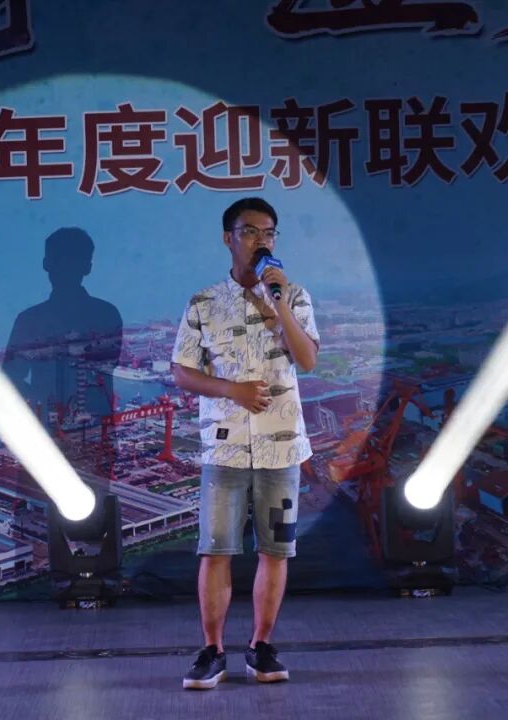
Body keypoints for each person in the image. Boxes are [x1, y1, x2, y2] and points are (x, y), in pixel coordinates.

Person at [171, 197, 319, 689]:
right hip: (225, 447)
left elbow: (308, 360)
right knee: (215, 550)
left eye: (269, 232)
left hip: (282, 447)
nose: (262, 240)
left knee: (275, 550)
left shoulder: (293, 295)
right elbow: (181, 372)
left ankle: (261, 647)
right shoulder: (203, 302)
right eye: (251, 231)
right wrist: (231, 390)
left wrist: (278, 304)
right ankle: (212, 650)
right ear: (228, 238)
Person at [3, 228, 122, 429]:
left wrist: (41, 399)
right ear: (88, 267)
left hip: (54, 431)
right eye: (62, 260)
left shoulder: (28, 320)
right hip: (96, 430)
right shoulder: (107, 314)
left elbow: (10, 378)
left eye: (71, 261)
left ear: (46, 264)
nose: (66, 268)